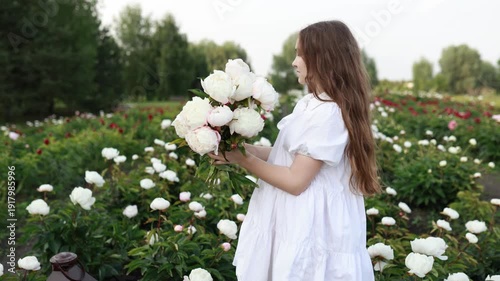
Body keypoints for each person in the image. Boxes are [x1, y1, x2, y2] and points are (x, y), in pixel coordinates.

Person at [209, 20, 380, 281]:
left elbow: (296, 180)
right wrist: (235, 148)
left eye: (300, 53)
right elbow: (285, 154)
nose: (294, 61)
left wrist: (240, 159)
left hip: (312, 228)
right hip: (296, 220)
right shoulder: (310, 104)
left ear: (323, 58)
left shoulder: (329, 114)